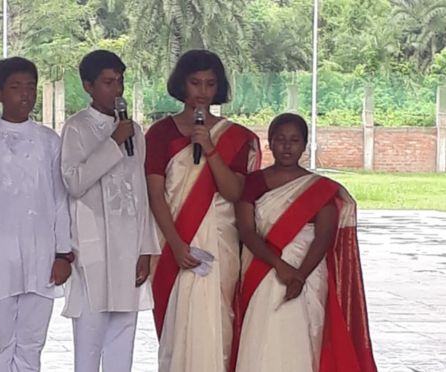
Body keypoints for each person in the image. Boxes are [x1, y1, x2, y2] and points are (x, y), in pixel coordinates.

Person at [232, 113, 377, 372]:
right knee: (260, 334)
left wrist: (299, 275)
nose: (287, 146)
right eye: (280, 140)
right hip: (262, 270)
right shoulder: (253, 183)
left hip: (308, 273)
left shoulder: (320, 188)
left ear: (305, 144)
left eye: (295, 140)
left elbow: (323, 237)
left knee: (303, 335)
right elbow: (246, 230)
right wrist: (280, 266)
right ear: (270, 143)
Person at [145, 49, 261, 372]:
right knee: (176, 327)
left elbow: (235, 192)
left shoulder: (236, 138)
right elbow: (155, 195)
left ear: (218, 88)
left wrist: (209, 148)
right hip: (172, 245)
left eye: (210, 84)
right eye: (195, 83)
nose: (202, 92)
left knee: (218, 325)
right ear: (182, 85)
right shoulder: (160, 134)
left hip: (219, 246)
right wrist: (178, 245)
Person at [0, 56, 73, 372]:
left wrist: (64, 254)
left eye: (31, 87)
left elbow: (61, 199)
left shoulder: (50, 141)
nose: (25, 95)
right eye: (15, 87)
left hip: (41, 254)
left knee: (32, 343)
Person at [60, 49, 160, 372]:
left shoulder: (135, 132)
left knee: (123, 337)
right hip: (93, 250)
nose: (116, 89)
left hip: (128, 248)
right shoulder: (76, 128)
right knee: (90, 339)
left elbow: (141, 194)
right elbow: (75, 182)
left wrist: (145, 250)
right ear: (88, 86)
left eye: (119, 81)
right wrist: (114, 143)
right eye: (107, 82)